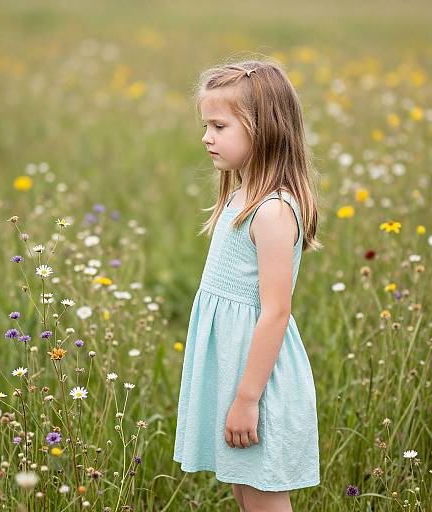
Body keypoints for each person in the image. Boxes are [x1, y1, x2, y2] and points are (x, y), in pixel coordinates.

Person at [173, 56, 323, 512]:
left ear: (264, 130)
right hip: (235, 368)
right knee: (244, 489)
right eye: (206, 125)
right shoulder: (240, 194)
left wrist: (247, 398)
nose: (206, 137)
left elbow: (276, 311)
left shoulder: (273, 211)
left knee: (263, 496)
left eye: (219, 126)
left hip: (257, 379)